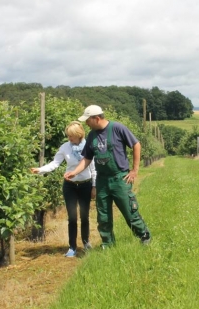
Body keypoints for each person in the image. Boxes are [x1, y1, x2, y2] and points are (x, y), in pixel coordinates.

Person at [64, 105, 151, 248]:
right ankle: (108, 244)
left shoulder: (117, 128)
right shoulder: (92, 135)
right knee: (103, 215)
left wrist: (135, 170)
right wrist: (75, 172)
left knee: (129, 211)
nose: (86, 123)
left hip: (120, 179)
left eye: (88, 120)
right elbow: (86, 158)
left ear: (96, 118)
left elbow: (136, 144)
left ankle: (144, 235)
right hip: (102, 181)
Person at [31, 121, 96, 258]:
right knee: (72, 217)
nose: (69, 139)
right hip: (70, 186)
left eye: (71, 136)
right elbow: (55, 163)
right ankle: (72, 247)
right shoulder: (65, 147)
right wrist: (40, 170)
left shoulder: (89, 146)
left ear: (79, 135)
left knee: (84, 217)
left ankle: (86, 242)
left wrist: (94, 186)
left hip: (85, 185)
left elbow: (93, 169)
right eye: (68, 136)